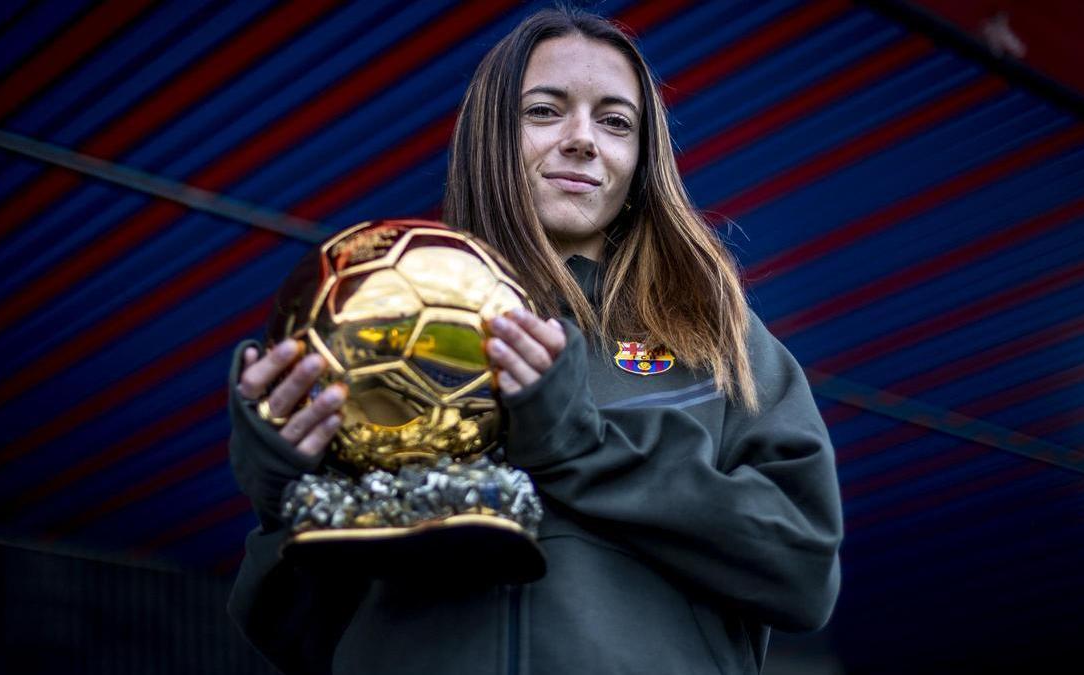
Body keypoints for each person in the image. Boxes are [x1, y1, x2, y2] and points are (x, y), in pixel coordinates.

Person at [227, 8, 843, 675]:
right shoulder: (375, 331)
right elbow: (297, 637)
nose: (583, 140)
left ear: (640, 160)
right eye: (545, 111)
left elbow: (803, 569)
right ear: (491, 136)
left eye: (615, 122)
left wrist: (576, 442)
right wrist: (288, 494)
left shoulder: (710, 336)